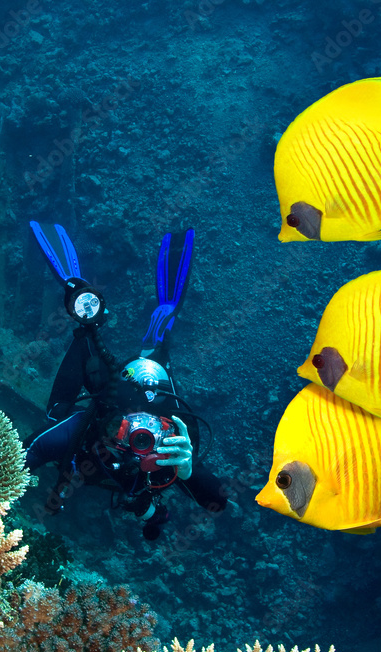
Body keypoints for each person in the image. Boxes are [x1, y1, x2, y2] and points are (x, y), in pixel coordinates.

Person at [24, 222, 228, 541]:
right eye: (126, 427)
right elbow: (28, 453)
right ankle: (88, 311)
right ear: (109, 420)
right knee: (59, 409)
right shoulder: (91, 422)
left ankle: (145, 329)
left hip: (134, 401)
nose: (138, 436)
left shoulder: (167, 453)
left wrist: (188, 470)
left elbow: (217, 502)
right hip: (114, 395)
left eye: (148, 433)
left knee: (153, 358)